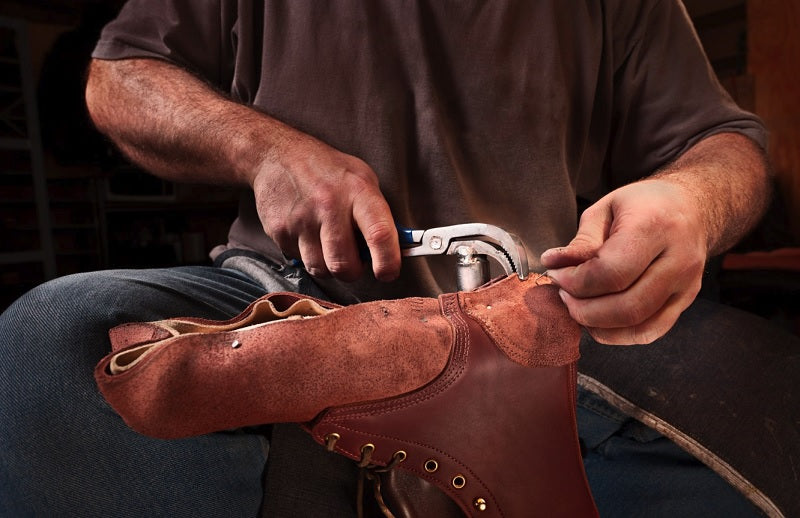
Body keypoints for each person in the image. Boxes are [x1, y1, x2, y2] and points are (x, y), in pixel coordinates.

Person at [0, 1, 777, 516]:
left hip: (539, 312)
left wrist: (691, 204)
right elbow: (120, 73)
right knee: (56, 336)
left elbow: (726, 145)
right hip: (285, 292)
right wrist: (264, 149)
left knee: (767, 399)